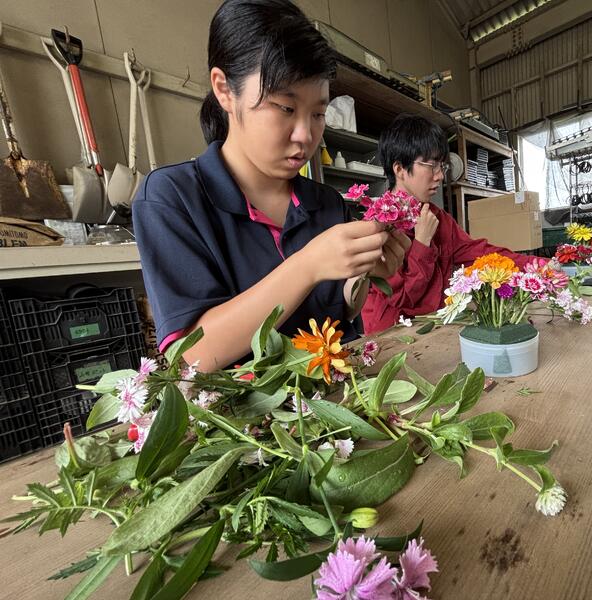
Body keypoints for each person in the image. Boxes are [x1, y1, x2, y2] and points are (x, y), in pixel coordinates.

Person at [132, 0, 408, 371]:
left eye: (318, 113)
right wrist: (307, 265)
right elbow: (193, 355)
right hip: (241, 408)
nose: (305, 135)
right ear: (225, 90)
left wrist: (364, 272)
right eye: (285, 108)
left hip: (335, 397)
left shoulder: (326, 204)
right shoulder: (172, 198)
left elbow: (342, 312)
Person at [360, 114, 541, 334]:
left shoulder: (439, 218)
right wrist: (422, 243)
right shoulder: (376, 227)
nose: (439, 176)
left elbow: (482, 254)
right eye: (431, 165)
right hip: (392, 337)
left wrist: (537, 266)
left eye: (442, 166)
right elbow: (404, 298)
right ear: (399, 169)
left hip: (435, 327)